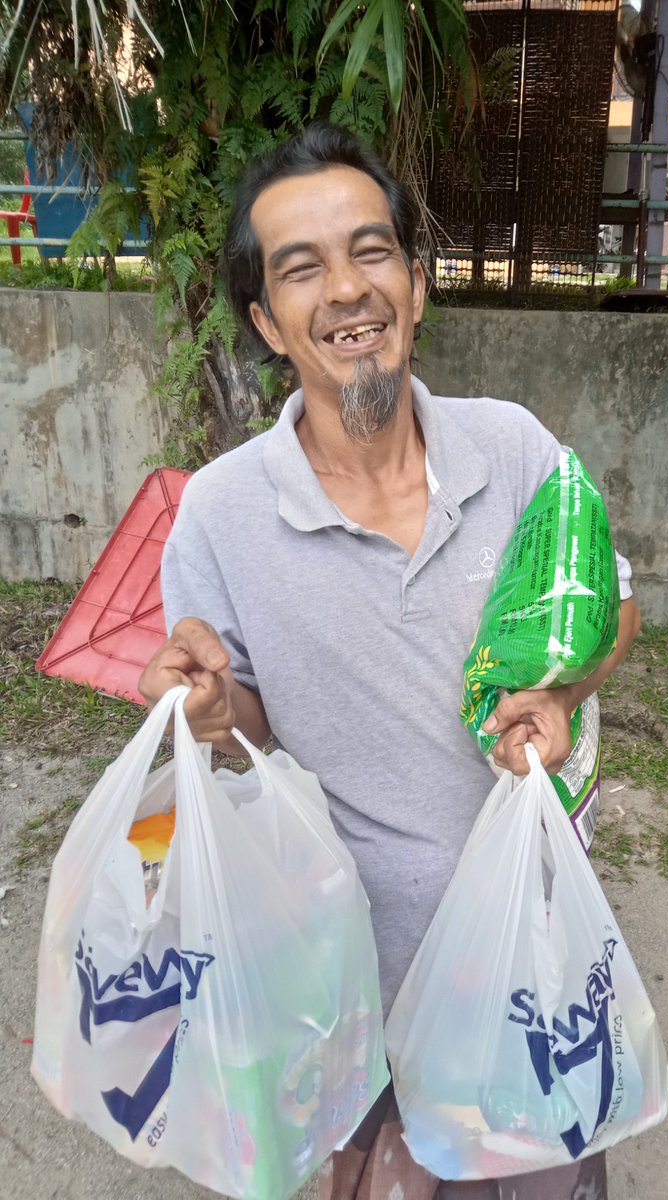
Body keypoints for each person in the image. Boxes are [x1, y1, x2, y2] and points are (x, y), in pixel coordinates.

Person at [138, 122, 641, 1200]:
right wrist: (220, 709)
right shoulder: (221, 516)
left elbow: (615, 608)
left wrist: (561, 690)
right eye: (302, 268)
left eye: (372, 253)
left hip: (532, 966)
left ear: (415, 287)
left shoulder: (512, 450)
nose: (347, 291)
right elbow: (247, 731)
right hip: (346, 993)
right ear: (269, 323)